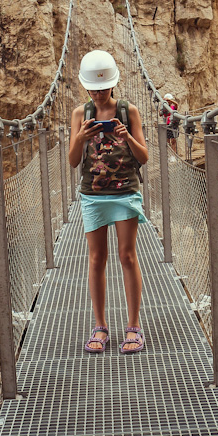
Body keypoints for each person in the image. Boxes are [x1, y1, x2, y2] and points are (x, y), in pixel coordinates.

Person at [68, 50, 150, 355]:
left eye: (103, 88)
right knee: (96, 259)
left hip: (125, 192)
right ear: (86, 88)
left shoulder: (130, 111)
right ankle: (100, 326)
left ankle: (133, 327)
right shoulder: (81, 114)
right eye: (93, 89)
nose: (99, 94)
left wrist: (126, 136)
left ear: (113, 85)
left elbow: (143, 157)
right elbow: (73, 161)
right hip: (92, 195)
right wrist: (80, 138)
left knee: (127, 256)